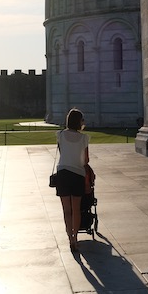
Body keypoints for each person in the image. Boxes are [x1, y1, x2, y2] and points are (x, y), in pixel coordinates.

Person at [54, 107, 89, 254]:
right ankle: (75, 237)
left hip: (62, 174)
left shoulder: (60, 135)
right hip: (77, 175)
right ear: (78, 122)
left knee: (66, 211)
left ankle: (70, 239)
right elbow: (86, 160)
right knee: (76, 210)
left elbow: (62, 153)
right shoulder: (84, 138)